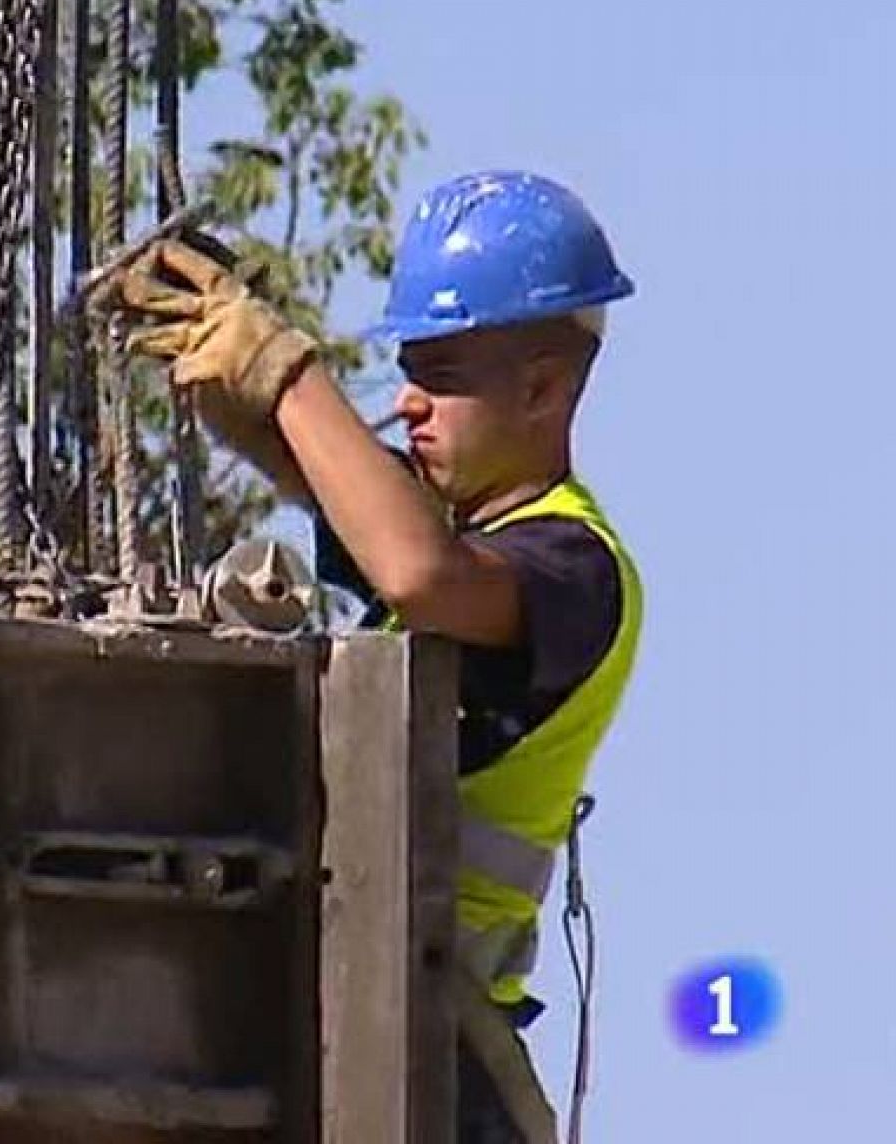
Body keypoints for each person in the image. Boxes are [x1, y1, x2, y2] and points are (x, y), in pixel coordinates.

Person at [106, 169, 645, 1142]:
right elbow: (364, 509)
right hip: (366, 1023)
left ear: (542, 387)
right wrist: (256, 411)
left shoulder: (576, 569)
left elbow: (416, 572)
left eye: (440, 375)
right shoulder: (462, 536)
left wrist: (288, 373)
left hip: (443, 1055)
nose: (406, 402)